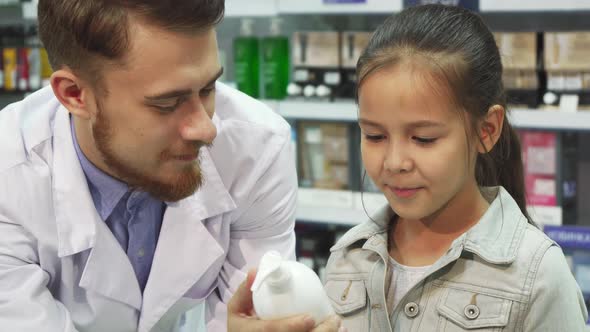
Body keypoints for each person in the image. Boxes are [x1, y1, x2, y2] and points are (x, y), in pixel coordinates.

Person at [0, 1, 303, 331]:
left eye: (208, 88)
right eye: (167, 104)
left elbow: (249, 319)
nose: (206, 129)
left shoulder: (255, 149)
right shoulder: (10, 174)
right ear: (75, 95)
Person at [321, 4, 588, 331]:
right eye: (374, 135)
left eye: (423, 138)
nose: (394, 162)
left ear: (487, 130)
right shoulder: (348, 258)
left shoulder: (536, 274)